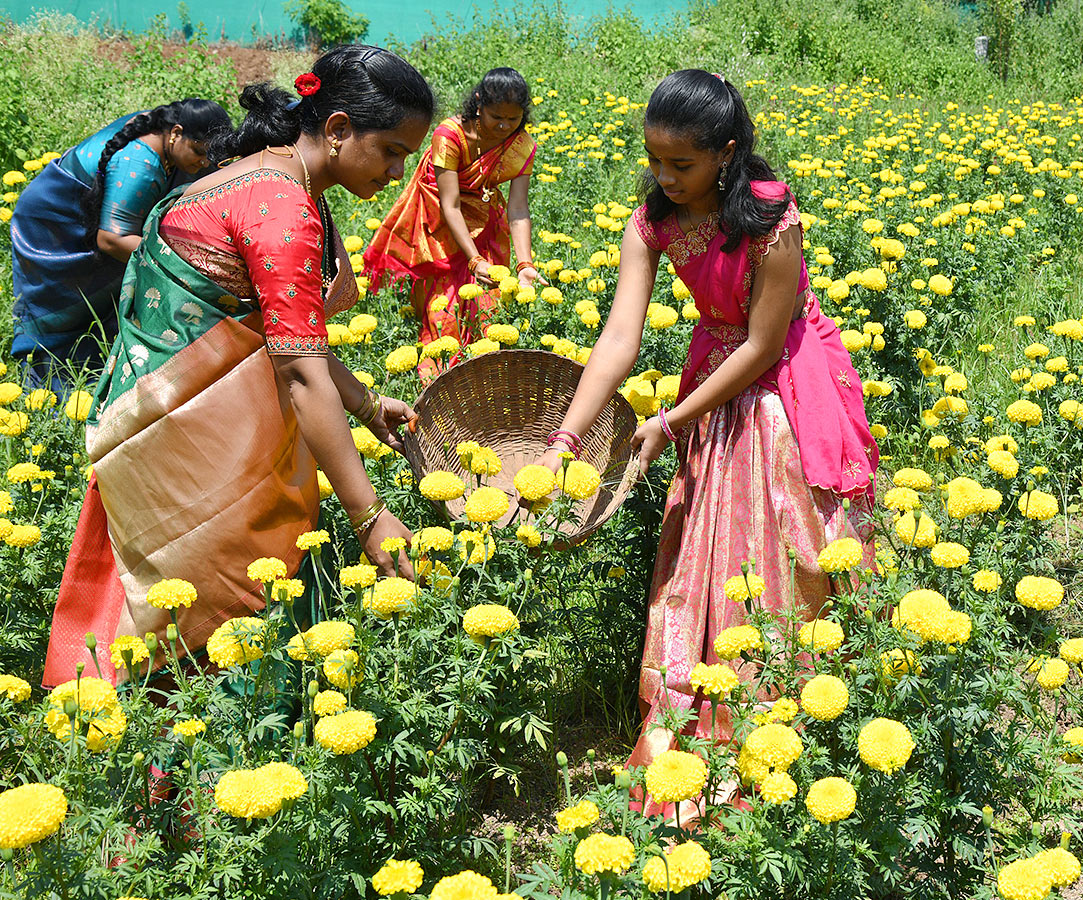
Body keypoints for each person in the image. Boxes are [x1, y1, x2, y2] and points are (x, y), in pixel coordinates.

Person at [43, 45, 435, 687]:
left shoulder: (257, 175)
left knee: (149, 600)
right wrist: (369, 516)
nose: (397, 171)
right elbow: (298, 368)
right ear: (337, 131)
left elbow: (279, 337)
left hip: (152, 423)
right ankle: (183, 771)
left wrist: (366, 404)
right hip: (190, 452)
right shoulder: (285, 208)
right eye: (391, 150)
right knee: (203, 622)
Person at [537, 70, 879, 798]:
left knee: (787, 538)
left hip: (780, 381)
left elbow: (762, 343)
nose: (664, 177)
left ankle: (805, 708)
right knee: (711, 544)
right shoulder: (654, 219)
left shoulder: (771, 215)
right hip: (710, 380)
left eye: (681, 165)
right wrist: (567, 436)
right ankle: (716, 706)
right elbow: (621, 335)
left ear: (725, 153)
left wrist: (671, 420)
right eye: (655, 160)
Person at [10, 100, 230, 388]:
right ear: (176, 133)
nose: (203, 163)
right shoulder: (140, 163)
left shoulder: (161, 128)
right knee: (57, 312)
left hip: (83, 218)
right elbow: (112, 239)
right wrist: (178, 263)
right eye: (199, 152)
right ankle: (40, 384)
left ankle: (88, 373)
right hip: (54, 228)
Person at [363, 66, 543, 381]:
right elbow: (451, 204)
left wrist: (525, 264)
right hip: (440, 220)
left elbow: (517, 209)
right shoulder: (450, 135)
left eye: (512, 119)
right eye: (495, 116)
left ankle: (477, 379)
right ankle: (438, 382)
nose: (503, 126)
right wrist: (473, 259)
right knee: (442, 310)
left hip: (486, 222)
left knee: (484, 311)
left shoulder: (521, 144)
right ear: (478, 104)